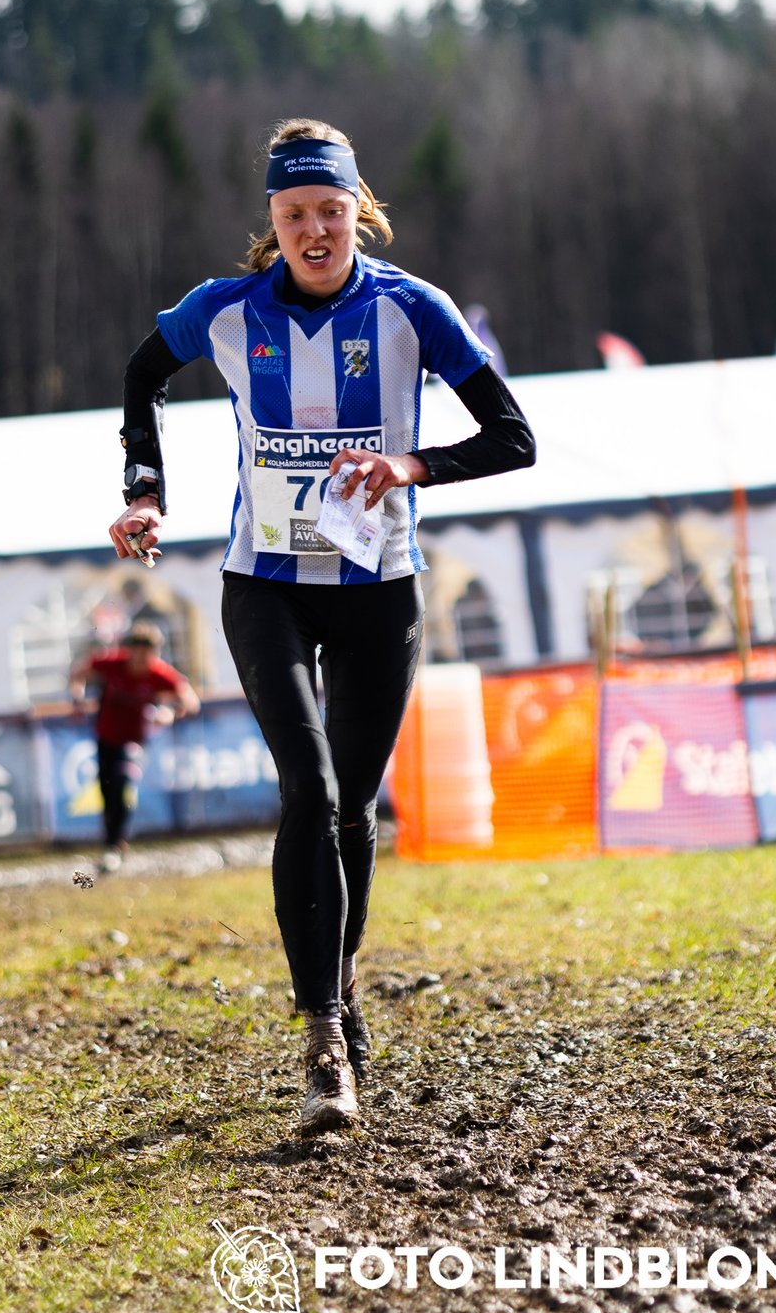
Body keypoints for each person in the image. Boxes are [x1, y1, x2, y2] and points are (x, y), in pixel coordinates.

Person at [108, 118, 536, 1135]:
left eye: (330, 213)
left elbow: (513, 436)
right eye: (294, 214)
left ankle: (333, 968)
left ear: (358, 213)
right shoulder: (225, 310)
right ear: (271, 221)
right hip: (265, 580)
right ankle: (325, 1039)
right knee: (309, 787)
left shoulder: (408, 310)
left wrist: (411, 464)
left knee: (353, 811)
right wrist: (146, 489)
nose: (313, 230)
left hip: (377, 585)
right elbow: (139, 375)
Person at [67, 622, 199, 867]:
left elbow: (190, 701)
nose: (139, 660)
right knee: (108, 791)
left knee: (121, 783)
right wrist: (77, 698)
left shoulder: (160, 673)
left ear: (155, 653)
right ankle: (114, 842)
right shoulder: (113, 664)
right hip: (106, 737)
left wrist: (170, 713)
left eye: (146, 653)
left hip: (134, 741)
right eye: (135, 652)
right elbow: (79, 672)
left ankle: (114, 845)